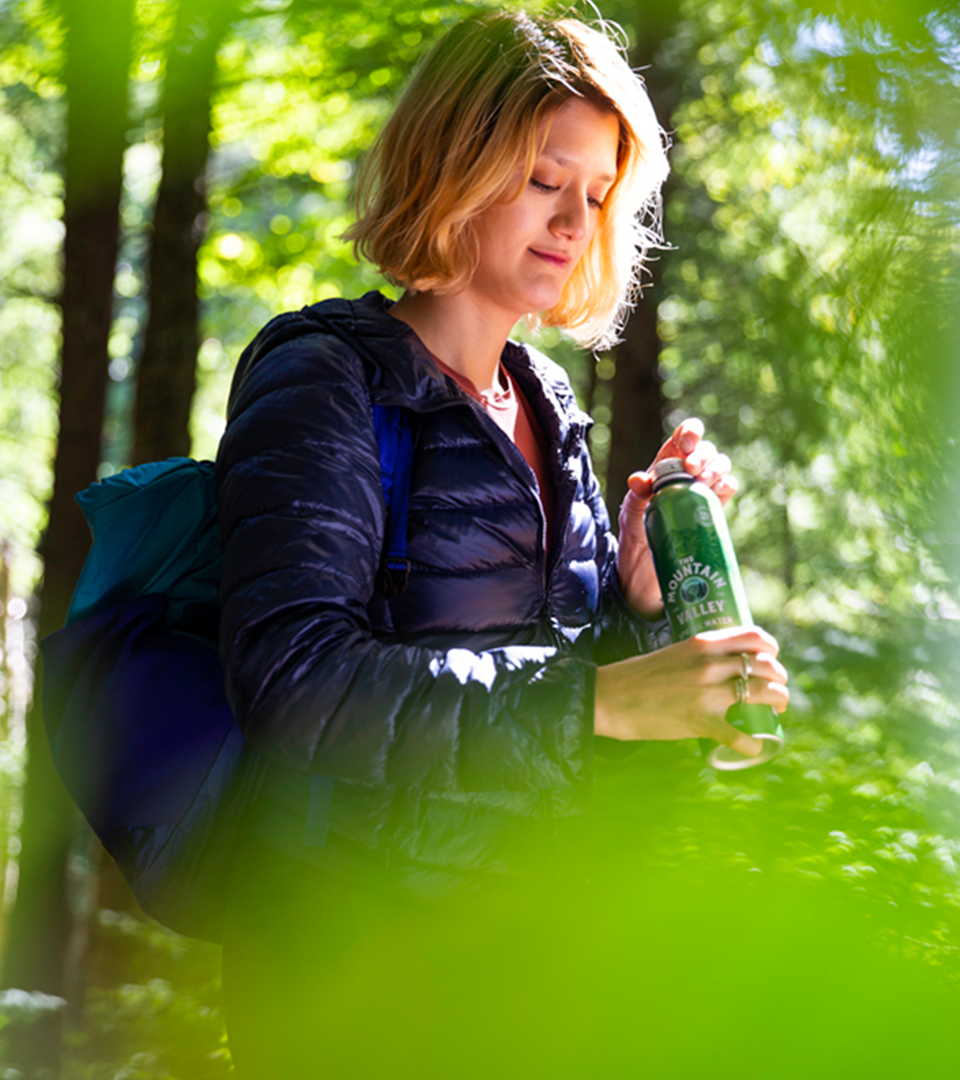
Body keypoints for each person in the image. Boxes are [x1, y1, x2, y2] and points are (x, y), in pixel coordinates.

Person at [215, 10, 789, 1076]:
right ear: (452, 169)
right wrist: (592, 703)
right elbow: (292, 679)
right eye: (542, 179)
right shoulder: (324, 375)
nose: (574, 221)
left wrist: (642, 609)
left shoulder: (548, 400)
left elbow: (578, 719)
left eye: (599, 195)